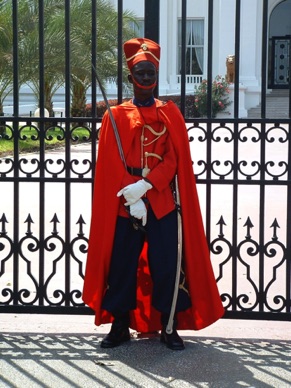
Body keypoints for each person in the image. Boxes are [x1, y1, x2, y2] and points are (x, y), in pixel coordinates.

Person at [82, 37, 224, 350]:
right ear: (131, 76)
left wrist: (147, 185)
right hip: (126, 201)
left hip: (161, 199)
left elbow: (175, 159)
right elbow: (109, 162)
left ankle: (169, 326)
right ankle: (120, 325)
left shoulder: (171, 113)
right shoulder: (115, 116)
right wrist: (132, 194)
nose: (146, 78)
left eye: (150, 72)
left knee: (167, 264)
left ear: (156, 74)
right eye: (140, 72)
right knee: (122, 264)